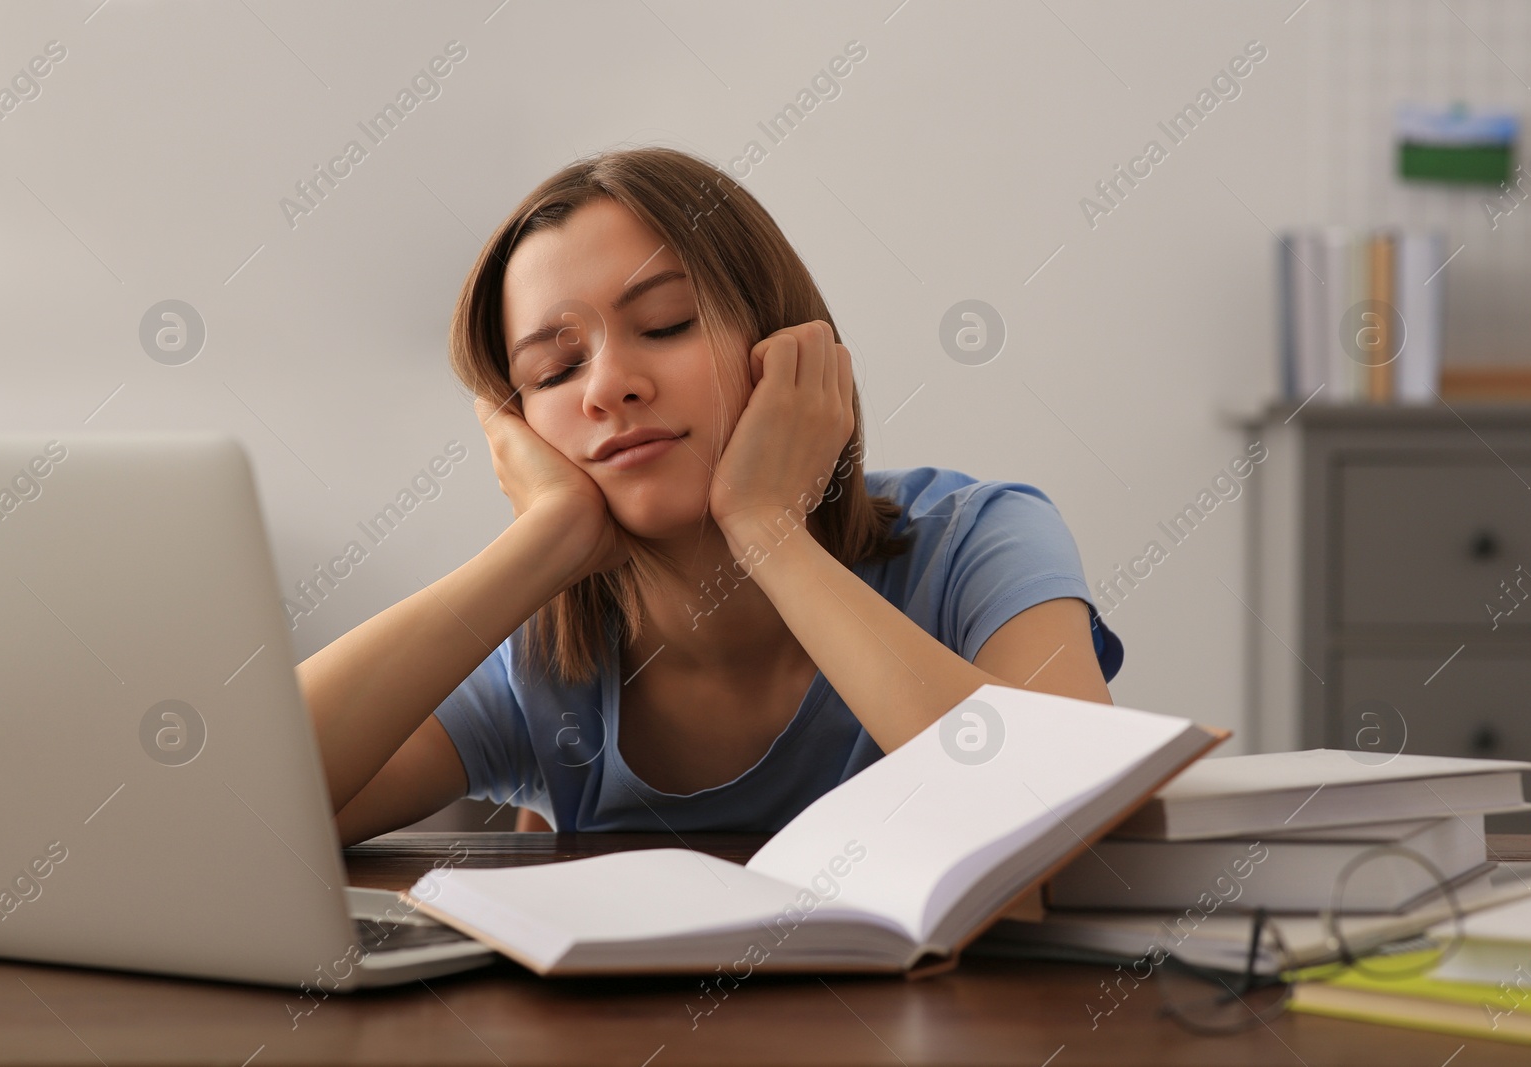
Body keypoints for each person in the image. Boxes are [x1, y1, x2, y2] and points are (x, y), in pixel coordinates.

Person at [299, 146, 1123, 845]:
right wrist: (545, 538)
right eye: (554, 371)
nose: (608, 386)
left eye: (664, 324)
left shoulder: (979, 541)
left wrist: (768, 530)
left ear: (782, 348)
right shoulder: (539, 667)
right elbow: (231, 812)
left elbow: (1065, 820)